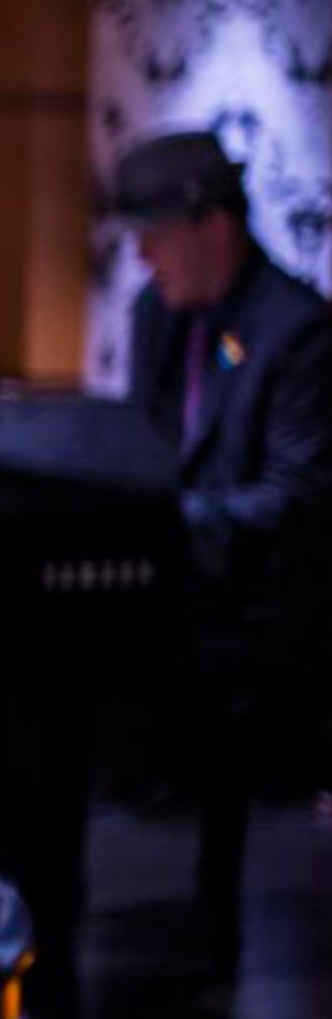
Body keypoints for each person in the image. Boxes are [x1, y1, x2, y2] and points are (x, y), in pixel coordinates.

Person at [116, 128, 332, 971]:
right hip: (172, 583)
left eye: (155, 235)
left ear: (214, 229)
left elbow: (297, 499)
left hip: (258, 608)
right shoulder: (157, 316)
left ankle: (195, 947)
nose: (141, 256)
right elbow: (140, 451)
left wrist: (169, 526)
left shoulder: (298, 331)